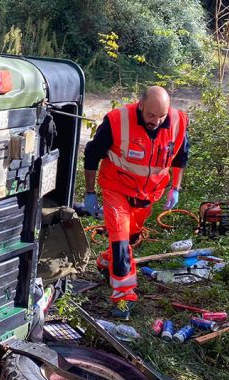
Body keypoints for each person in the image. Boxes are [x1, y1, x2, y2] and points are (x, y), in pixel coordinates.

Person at [83, 86, 190, 320]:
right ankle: (124, 299)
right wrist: (90, 192)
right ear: (140, 105)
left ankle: (104, 261)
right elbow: (91, 154)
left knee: (130, 239)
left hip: (148, 195)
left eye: (161, 116)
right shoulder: (117, 121)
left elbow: (182, 155)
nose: (156, 121)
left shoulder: (177, 122)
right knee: (121, 243)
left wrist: (176, 188)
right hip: (116, 190)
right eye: (151, 115)